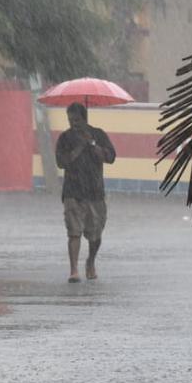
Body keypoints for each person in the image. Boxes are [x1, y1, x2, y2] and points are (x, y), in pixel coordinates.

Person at [55, 102, 116, 283]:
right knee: (74, 232)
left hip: (95, 191)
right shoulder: (65, 138)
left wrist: (93, 145)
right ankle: (74, 270)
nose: (74, 123)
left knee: (95, 234)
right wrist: (79, 148)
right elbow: (61, 162)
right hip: (73, 191)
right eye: (70, 120)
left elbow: (111, 157)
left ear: (84, 118)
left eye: (77, 120)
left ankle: (90, 261)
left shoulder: (98, 134)